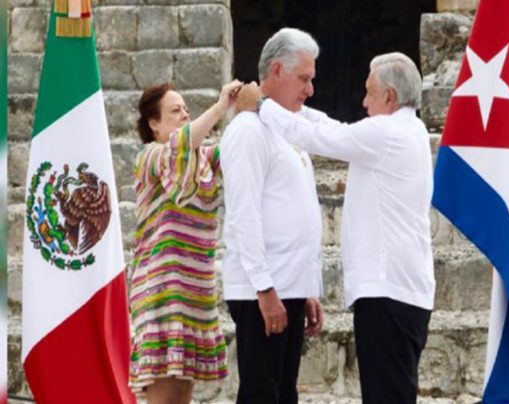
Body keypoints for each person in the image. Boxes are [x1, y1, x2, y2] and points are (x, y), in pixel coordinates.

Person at [237, 52, 435, 404]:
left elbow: (324, 139)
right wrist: (293, 108)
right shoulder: (408, 129)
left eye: (369, 92)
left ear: (389, 96)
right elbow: (334, 129)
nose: (363, 101)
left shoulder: (388, 132)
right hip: (401, 291)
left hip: (389, 291)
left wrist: (264, 105)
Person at [219, 28, 325, 404]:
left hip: (290, 285)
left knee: (284, 394)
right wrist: (264, 288)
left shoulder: (288, 128)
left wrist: (308, 285)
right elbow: (243, 215)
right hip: (262, 291)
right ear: (277, 70)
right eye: (304, 79)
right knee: (262, 394)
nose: (309, 89)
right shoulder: (248, 131)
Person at [128, 79, 242, 404]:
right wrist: (220, 107)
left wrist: (253, 106)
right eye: (175, 110)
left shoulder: (204, 158)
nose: (184, 115)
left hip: (195, 293)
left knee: (182, 398)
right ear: (153, 123)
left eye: (185, 109)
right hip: (161, 292)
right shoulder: (149, 156)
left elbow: (237, 150)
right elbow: (182, 143)